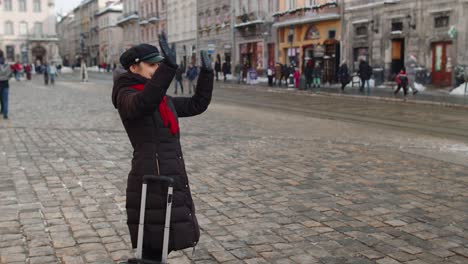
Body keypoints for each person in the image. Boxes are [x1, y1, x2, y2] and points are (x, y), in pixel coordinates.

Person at [112, 33, 214, 262]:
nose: (156, 69)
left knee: (164, 241)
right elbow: (142, 104)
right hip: (151, 178)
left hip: (170, 174)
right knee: (153, 243)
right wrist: (168, 68)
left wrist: (207, 73)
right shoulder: (125, 94)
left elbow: (197, 104)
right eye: (152, 65)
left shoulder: (160, 98)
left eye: (159, 64)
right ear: (133, 67)